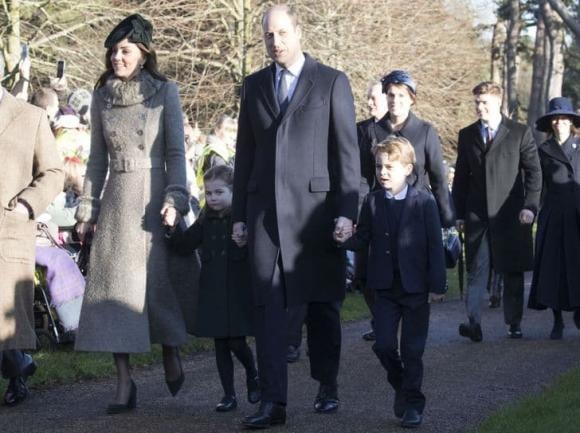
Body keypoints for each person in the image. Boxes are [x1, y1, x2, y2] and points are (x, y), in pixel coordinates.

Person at [231, 4, 360, 428]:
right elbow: (244, 154)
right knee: (267, 307)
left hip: (316, 216)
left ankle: (327, 383)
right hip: (264, 212)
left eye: (283, 33)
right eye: (268, 35)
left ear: (298, 32)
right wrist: (239, 215)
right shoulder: (253, 86)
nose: (276, 42)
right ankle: (274, 403)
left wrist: (346, 211)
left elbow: (346, 154)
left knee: (322, 306)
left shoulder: (330, 82)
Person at [74, 14, 197, 414]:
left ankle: (170, 350)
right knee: (114, 294)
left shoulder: (165, 92)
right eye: (112, 51)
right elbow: (95, 160)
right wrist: (87, 208)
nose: (116, 58)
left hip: (154, 198)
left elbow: (177, 154)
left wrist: (176, 198)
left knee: (158, 287)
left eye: (124, 50)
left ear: (143, 54)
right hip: (115, 204)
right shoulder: (102, 96)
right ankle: (124, 381)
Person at [336, 136, 446, 428]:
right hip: (383, 288)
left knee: (412, 350)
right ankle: (401, 387)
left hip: (416, 288)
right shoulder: (372, 202)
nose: (383, 172)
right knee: (384, 345)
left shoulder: (424, 202)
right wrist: (342, 240)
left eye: (389, 167)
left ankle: (413, 403)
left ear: (408, 169)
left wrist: (437, 286)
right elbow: (363, 238)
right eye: (378, 166)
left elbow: (435, 246)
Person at [166, 165, 260, 412]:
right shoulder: (205, 219)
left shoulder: (242, 220)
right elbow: (186, 245)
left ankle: (253, 374)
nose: (213, 198)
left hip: (238, 291)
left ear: (233, 192)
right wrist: (172, 228)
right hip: (213, 291)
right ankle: (228, 394)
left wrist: (248, 237)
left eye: (219, 192)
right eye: (208, 193)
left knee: (237, 343)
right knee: (220, 345)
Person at [452, 81, 542, 342]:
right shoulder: (467, 135)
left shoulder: (519, 133)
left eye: (484, 103)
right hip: (477, 214)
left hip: (511, 213)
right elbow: (461, 178)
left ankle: (513, 323)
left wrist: (530, 207)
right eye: (477, 103)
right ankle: (473, 322)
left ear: (498, 103)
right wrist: (458, 213)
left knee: (512, 270)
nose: (479, 107)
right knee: (476, 268)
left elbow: (534, 173)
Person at [0, 81, 64, 405]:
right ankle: (20, 365)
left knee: (6, 320)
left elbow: (54, 171)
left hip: (8, 228)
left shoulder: (31, 116)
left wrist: (27, 206)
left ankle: (17, 371)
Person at [528, 97, 580, 340]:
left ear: (571, 122)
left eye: (564, 118)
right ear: (551, 123)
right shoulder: (544, 151)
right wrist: (531, 207)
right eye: (556, 118)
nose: (560, 122)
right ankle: (557, 319)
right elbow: (537, 185)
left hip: (578, 214)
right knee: (555, 267)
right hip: (554, 215)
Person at [355, 80, 389, 342]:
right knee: (363, 273)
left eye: (374, 98)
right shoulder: (359, 131)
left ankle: (388, 320)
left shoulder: (399, 130)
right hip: (366, 209)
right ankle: (379, 319)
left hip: (394, 212)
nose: (369, 103)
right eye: (368, 99)